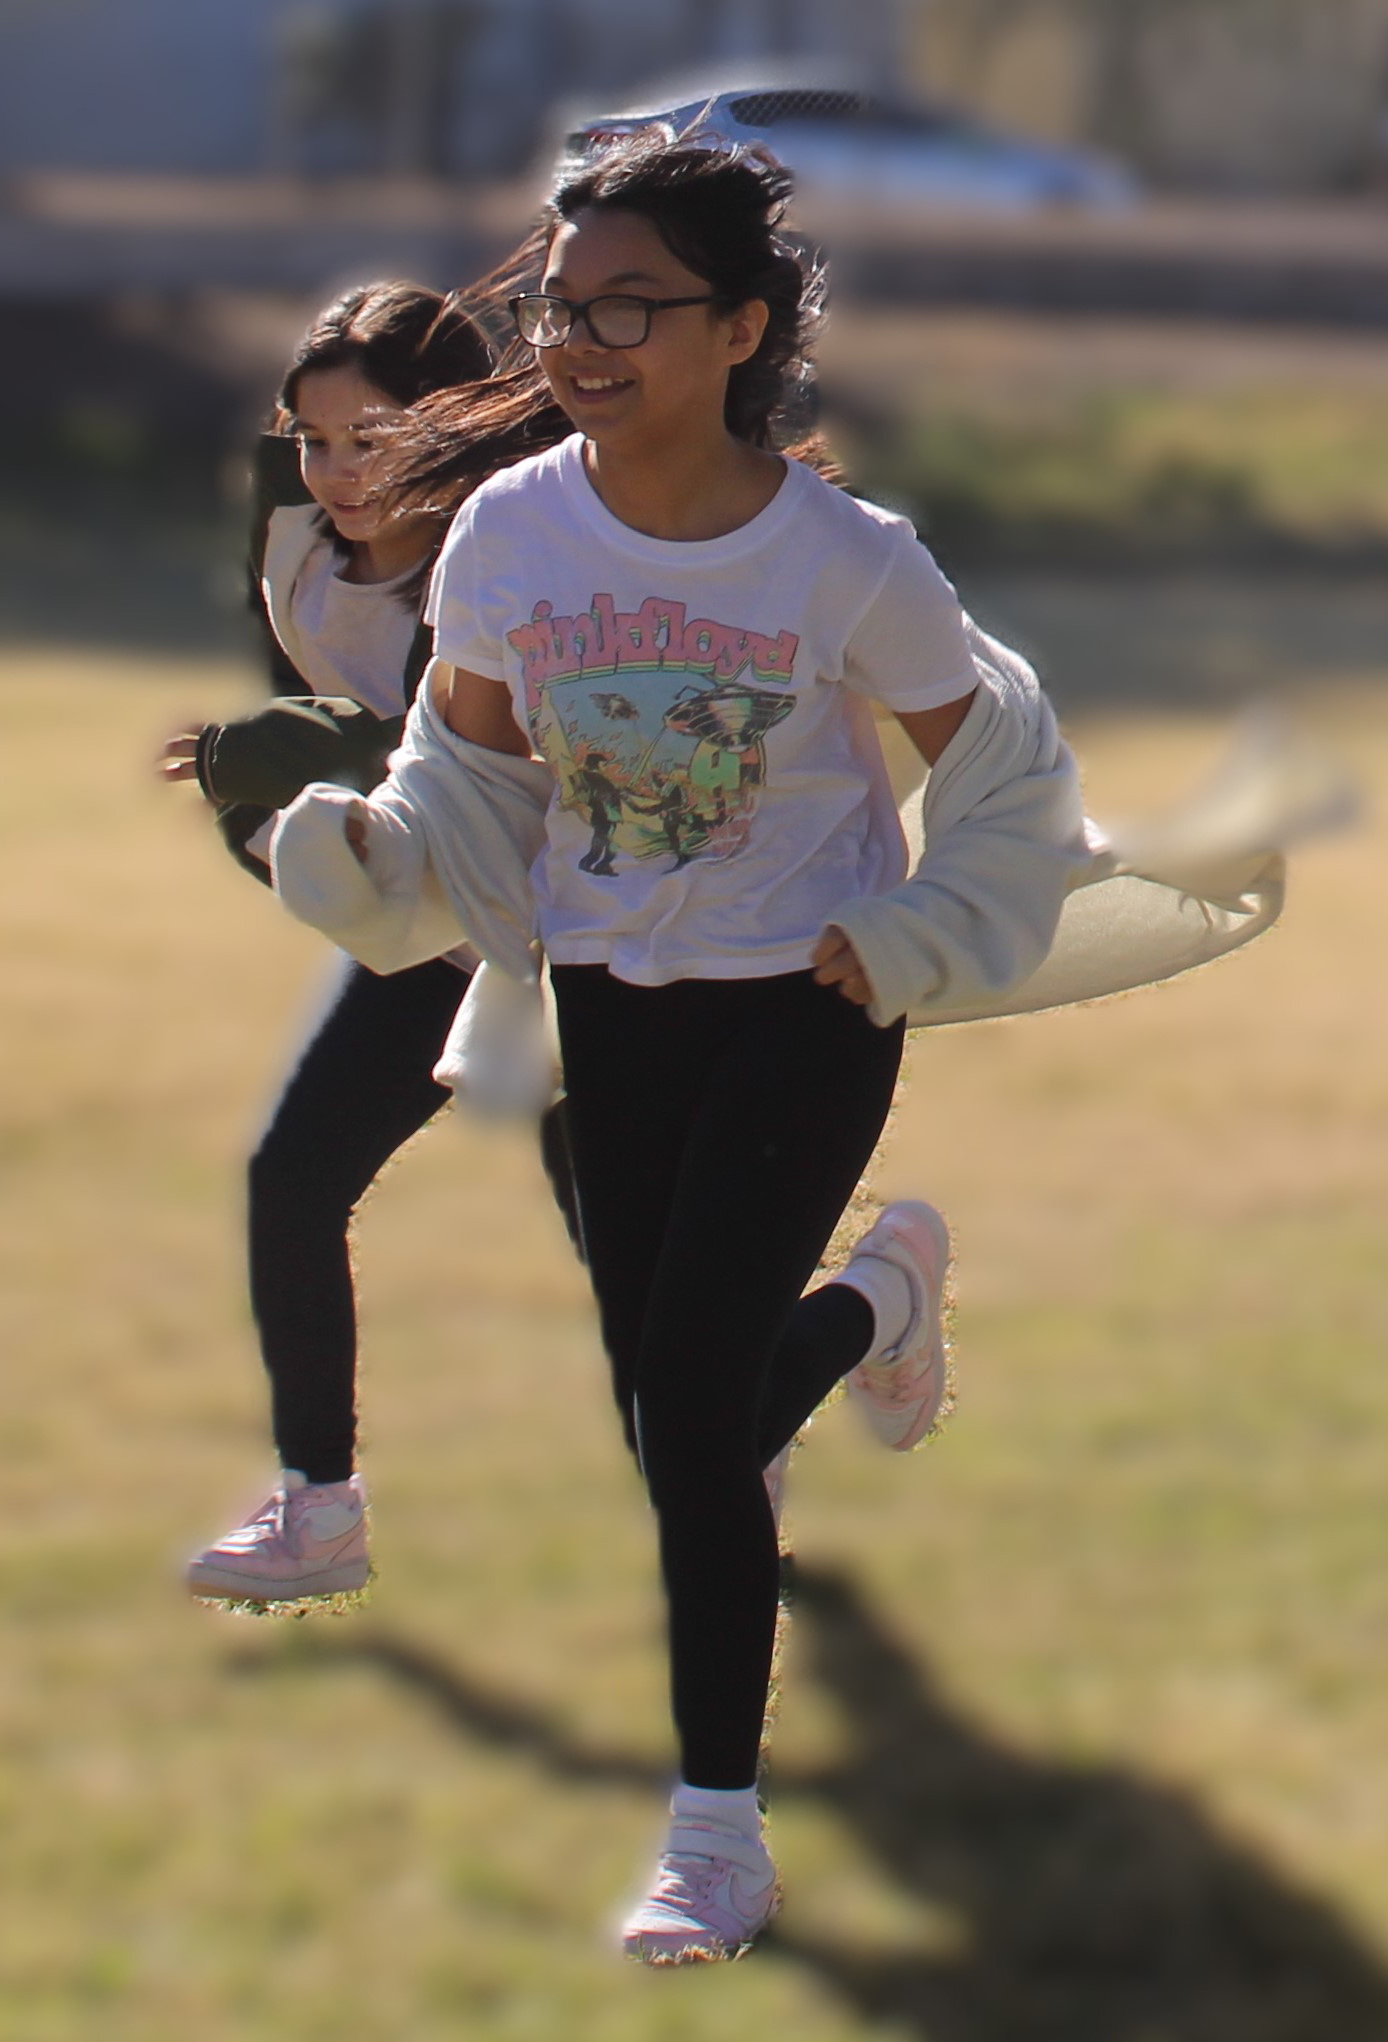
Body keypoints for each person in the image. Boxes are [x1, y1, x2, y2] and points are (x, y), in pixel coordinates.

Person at [319, 137, 1070, 1964]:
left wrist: (906, 933)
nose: (581, 340)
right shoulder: (507, 532)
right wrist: (383, 855)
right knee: (686, 1419)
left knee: (685, 1408)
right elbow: (472, 763)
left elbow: (1006, 767)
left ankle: (714, 1832)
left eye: (631, 309)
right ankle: (878, 1303)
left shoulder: (843, 559)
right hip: (605, 1017)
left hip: (804, 1008)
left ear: (739, 327)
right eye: (561, 307)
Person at [161, 282, 582, 1608]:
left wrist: (276, 755)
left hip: (566, 934)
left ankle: (857, 1308)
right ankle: (318, 1507)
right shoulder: (290, 523)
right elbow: (307, 701)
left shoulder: (507, 560)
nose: (339, 472)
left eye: (374, 439)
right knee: (291, 1175)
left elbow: (427, 750)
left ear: (454, 431)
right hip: (430, 922)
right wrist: (276, 819)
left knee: (640, 1259)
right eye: (315, 437)